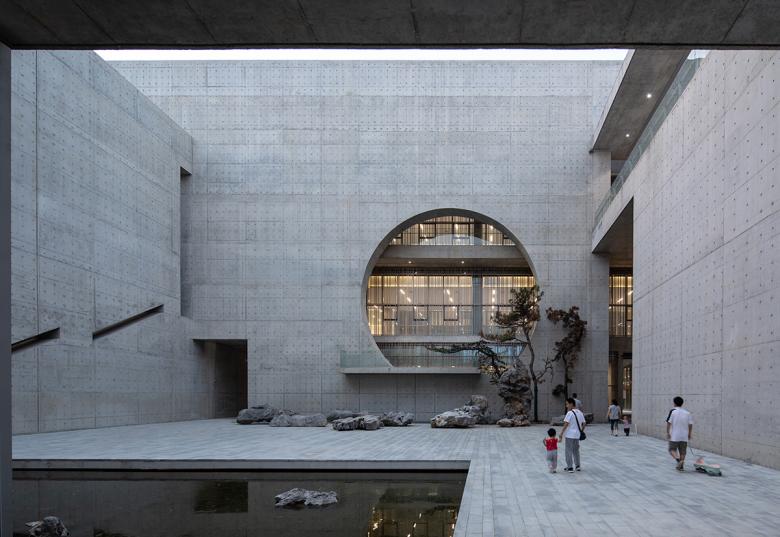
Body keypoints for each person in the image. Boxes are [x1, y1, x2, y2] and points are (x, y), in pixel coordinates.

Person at [558, 397, 586, 472]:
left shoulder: (569, 413)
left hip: (569, 435)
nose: (566, 406)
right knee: (576, 451)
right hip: (577, 435)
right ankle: (577, 466)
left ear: (571, 404)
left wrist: (561, 433)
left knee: (568, 451)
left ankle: (570, 467)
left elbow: (566, 424)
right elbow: (584, 424)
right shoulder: (580, 413)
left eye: (567, 404)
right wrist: (581, 431)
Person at [666, 396, 694, 471]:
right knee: (683, 452)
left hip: (674, 435)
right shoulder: (687, 413)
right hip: (684, 436)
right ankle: (681, 467)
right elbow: (690, 424)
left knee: (671, 449)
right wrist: (689, 434)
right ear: (682, 403)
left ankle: (678, 460)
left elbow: (668, 423)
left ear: (674, 403)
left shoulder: (673, 411)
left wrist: (668, 432)